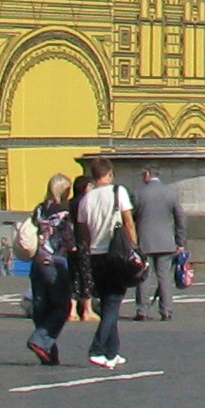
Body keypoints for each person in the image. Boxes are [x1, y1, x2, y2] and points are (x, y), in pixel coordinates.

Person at [68, 154, 141, 371]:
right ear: (109, 174)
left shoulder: (85, 199)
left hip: (95, 255)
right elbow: (128, 222)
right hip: (116, 253)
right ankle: (97, 349)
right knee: (112, 304)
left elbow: (83, 230)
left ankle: (112, 351)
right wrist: (135, 247)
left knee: (109, 301)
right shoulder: (119, 192)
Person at [21, 179, 74, 365]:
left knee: (41, 306)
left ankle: (50, 352)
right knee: (61, 306)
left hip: (37, 260)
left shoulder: (39, 209)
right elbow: (68, 240)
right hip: (55, 261)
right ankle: (40, 341)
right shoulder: (63, 213)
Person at [128, 169, 182, 318]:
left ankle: (142, 311)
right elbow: (180, 218)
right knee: (164, 277)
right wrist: (180, 241)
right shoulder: (171, 192)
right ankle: (166, 311)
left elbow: (130, 218)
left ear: (146, 175)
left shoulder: (138, 193)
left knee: (143, 275)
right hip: (166, 241)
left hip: (144, 240)